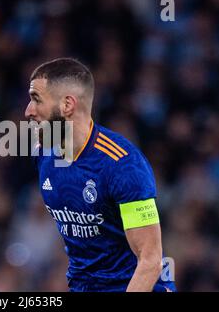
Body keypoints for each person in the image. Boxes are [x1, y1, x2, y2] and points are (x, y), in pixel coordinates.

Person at [25, 58, 176, 292]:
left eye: (36, 99)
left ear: (67, 105)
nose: (28, 111)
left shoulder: (122, 165)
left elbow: (150, 261)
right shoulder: (44, 154)